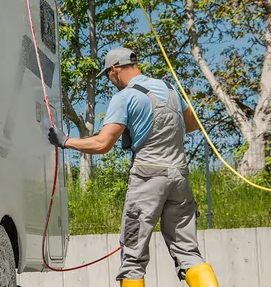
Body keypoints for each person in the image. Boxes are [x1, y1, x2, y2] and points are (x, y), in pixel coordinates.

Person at [48, 47, 219, 287]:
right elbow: (190, 124)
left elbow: (102, 143)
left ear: (115, 69)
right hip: (179, 178)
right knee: (189, 253)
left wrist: (65, 141)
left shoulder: (125, 97)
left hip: (147, 179)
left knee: (132, 259)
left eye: (108, 75)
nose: (110, 81)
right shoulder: (170, 89)